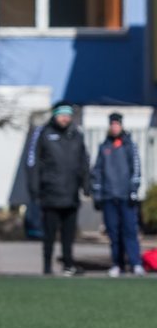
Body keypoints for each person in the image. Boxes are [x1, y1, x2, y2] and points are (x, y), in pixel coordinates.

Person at [29, 104, 90, 276]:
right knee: (49, 233)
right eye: (62, 115)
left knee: (68, 235)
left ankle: (68, 264)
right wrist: (34, 189)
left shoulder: (76, 135)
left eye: (67, 115)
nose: (65, 118)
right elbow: (32, 163)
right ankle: (47, 267)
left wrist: (86, 185)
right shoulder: (44, 134)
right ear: (55, 116)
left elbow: (84, 162)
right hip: (50, 193)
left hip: (71, 193)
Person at [90, 111, 143, 277]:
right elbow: (97, 171)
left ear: (121, 125)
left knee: (130, 231)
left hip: (126, 196)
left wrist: (133, 190)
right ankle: (117, 264)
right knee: (113, 233)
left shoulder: (129, 146)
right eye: (112, 124)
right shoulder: (104, 146)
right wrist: (97, 193)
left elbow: (136, 169)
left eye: (117, 124)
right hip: (109, 196)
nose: (114, 127)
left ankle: (135, 263)